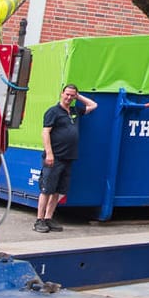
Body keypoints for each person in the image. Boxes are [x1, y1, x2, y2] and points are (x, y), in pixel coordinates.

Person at [35, 82, 96, 232]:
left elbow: (93, 105)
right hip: (54, 158)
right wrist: (49, 154)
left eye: (72, 95)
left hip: (68, 158)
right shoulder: (53, 112)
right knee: (46, 189)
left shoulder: (75, 111)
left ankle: (49, 218)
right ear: (61, 94)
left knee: (58, 191)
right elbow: (45, 132)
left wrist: (79, 96)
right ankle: (39, 220)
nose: (69, 97)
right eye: (67, 94)